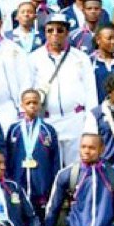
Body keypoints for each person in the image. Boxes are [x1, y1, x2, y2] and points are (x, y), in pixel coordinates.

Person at [28, 14, 98, 166]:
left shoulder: (80, 58)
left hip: (75, 119)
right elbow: (29, 89)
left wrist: (90, 123)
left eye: (59, 30)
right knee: (49, 166)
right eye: (50, 30)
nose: (54, 34)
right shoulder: (34, 58)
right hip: (47, 119)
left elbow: (91, 91)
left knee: (76, 167)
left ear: (67, 32)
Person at [5, 89, 61, 222]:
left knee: (40, 217)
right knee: (19, 216)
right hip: (19, 181)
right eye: (28, 103)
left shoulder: (48, 130)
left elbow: (55, 159)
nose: (32, 106)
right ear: (22, 105)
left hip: (41, 184)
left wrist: (53, 183)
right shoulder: (14, 130)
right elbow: (7, 157)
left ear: (40, 105)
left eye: (35, 102)